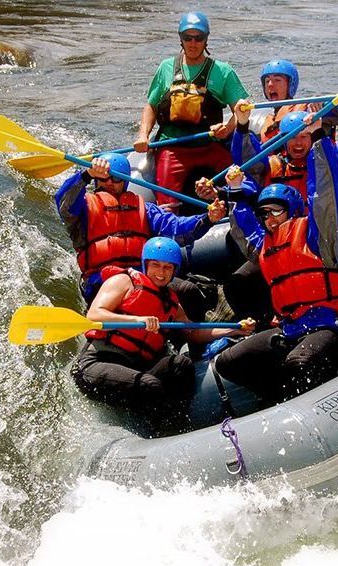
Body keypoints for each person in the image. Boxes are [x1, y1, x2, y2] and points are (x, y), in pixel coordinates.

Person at [214, 96, 338, 402]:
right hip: (291, 326)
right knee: (228, 362)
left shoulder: (317, 233)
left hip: (329, 322)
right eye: (265, 214)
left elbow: (325, 193)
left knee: (299, 364)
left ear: (292, 210)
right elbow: (245, 223)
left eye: (276, 212)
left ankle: (302, 401)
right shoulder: (265, 244)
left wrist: (320, 136)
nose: (269, 219)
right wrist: (234, 191)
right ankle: (275, 398)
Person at [72, 237, 254, 424]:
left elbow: (195, 333)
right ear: (145, 264)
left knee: (181, 365)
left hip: (135, 366)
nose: (161, 272)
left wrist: (234, 330)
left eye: (167, 267)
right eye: (155, 265)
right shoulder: (124, 281)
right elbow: (94, 315)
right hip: (98, 362)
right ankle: (159, 429)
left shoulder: (172, 302)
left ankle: (180, 421)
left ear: (174, 270)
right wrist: (137, 320)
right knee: (149, 385)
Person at [54, 152, 226, 323]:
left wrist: (207, 219)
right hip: (103, 281)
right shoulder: (83, 209)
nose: (109, 183)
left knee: (189, 290)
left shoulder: (145, 209)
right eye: (103, 178)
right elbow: (64, 202)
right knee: (129, 308)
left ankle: (194, 343)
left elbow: (176, 228)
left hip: (144, 277)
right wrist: (86, 175)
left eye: (115, 179)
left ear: (126, 181)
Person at [133, 11, 249, 212]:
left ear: (206, 40)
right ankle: (171, 228)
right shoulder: (166, 68)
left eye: (198, 38)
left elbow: (242, 107)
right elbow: (151, 106)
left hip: (210, 145)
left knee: (240, 182)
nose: (193, 43)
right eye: (188, 38)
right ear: (181, 39)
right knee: (166, 204)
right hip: (173, 147)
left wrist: (228, 129)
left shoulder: (223, 71)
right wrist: (143, 135)